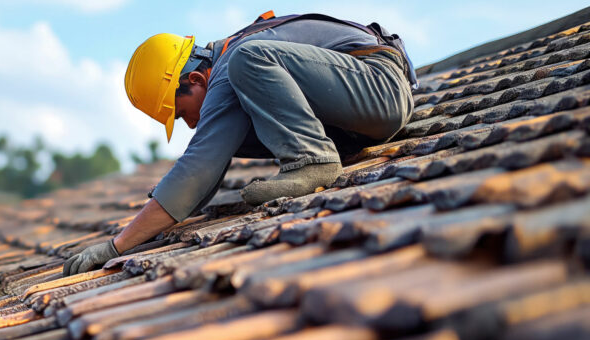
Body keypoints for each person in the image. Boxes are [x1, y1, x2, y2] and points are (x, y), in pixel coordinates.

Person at [62, 11, 416, 277]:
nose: (191, 124)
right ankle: (318, 152)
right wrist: (160, 211)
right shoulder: (229, 70)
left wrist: (116, 245)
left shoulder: (236, 59)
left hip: (379, 89)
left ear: (197, 78)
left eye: (183, 112)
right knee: (234, 118)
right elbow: (207, 163)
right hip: (363, 107)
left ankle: (314, 159)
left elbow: (199, 164)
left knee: (250, 61)